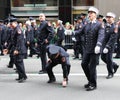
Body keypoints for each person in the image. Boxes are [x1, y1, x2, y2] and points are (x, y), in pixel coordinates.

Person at [75, 7, 105, 91]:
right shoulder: (87, 24)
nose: (90, 14)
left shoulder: (99, 24)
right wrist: (72, 32)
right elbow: (80, 31)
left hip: (95, 49)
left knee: (92, 67)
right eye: (89, 13)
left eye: (92, 13)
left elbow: (101, 35)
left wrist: (98, 45)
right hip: (87, 49)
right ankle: (90, 80)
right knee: (84, 64)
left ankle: (93, 84)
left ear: (95, 14)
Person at [3, 17, 27, 83]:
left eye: (11, 24)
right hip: (16, 49)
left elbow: (19, 41)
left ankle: (22, 77)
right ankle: (21, 76)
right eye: (10, 24)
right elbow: (12, 41)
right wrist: (8, 49)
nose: (10, 25)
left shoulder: (18, 30)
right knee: (17, 63)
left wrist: (17, 49)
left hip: (20, 49)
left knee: (19, 63)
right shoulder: (13, 29)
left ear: (15, 23)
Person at [101, 12, 119, 79]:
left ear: (113, 18)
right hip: (104, 44)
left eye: (109, 17)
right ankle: (114, 65)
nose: (108, 18)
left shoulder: (115, 27)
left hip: (110, 45)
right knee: (103, 57)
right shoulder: (106, 25)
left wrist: (107, 46)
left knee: (108, 59)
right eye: (107, 17)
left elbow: (113, 38)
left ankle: (110, 73)